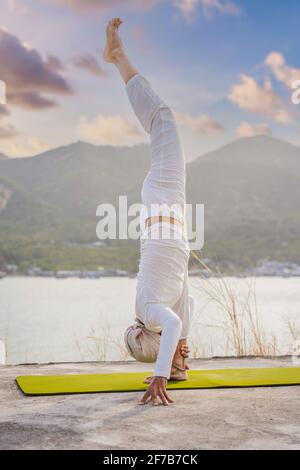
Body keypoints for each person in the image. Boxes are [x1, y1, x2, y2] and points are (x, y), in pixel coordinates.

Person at [103, 18, 194, 406]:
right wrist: (176, 366)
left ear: (156, 339)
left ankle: (119, 58)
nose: (174, 342)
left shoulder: (150, 310)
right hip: (176, 223)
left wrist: (159, 375)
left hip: (161, 201)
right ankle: (118, 58)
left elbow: (172, 324)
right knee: (164, 121)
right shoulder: (165, 305)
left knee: (163, 119)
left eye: (168, 347)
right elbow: (184, 308)